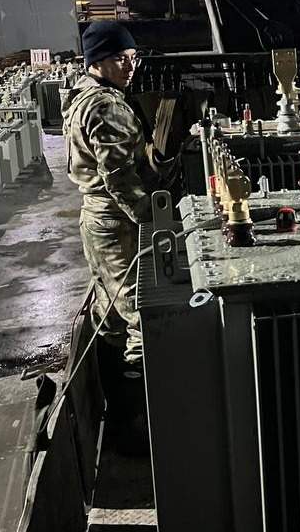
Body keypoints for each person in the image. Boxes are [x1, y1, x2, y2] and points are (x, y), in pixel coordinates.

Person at [64, 21, 171, 371]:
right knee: (140, 309)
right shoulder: (106, 107)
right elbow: (119, 179)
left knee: (110, 305)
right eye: (119, 58)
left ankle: (108, 379)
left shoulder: (82, 96)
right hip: (116, 222)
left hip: (96, 219)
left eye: (133, 57)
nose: (130, 66)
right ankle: (144, 381)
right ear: (96, 61)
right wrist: (153, 219)